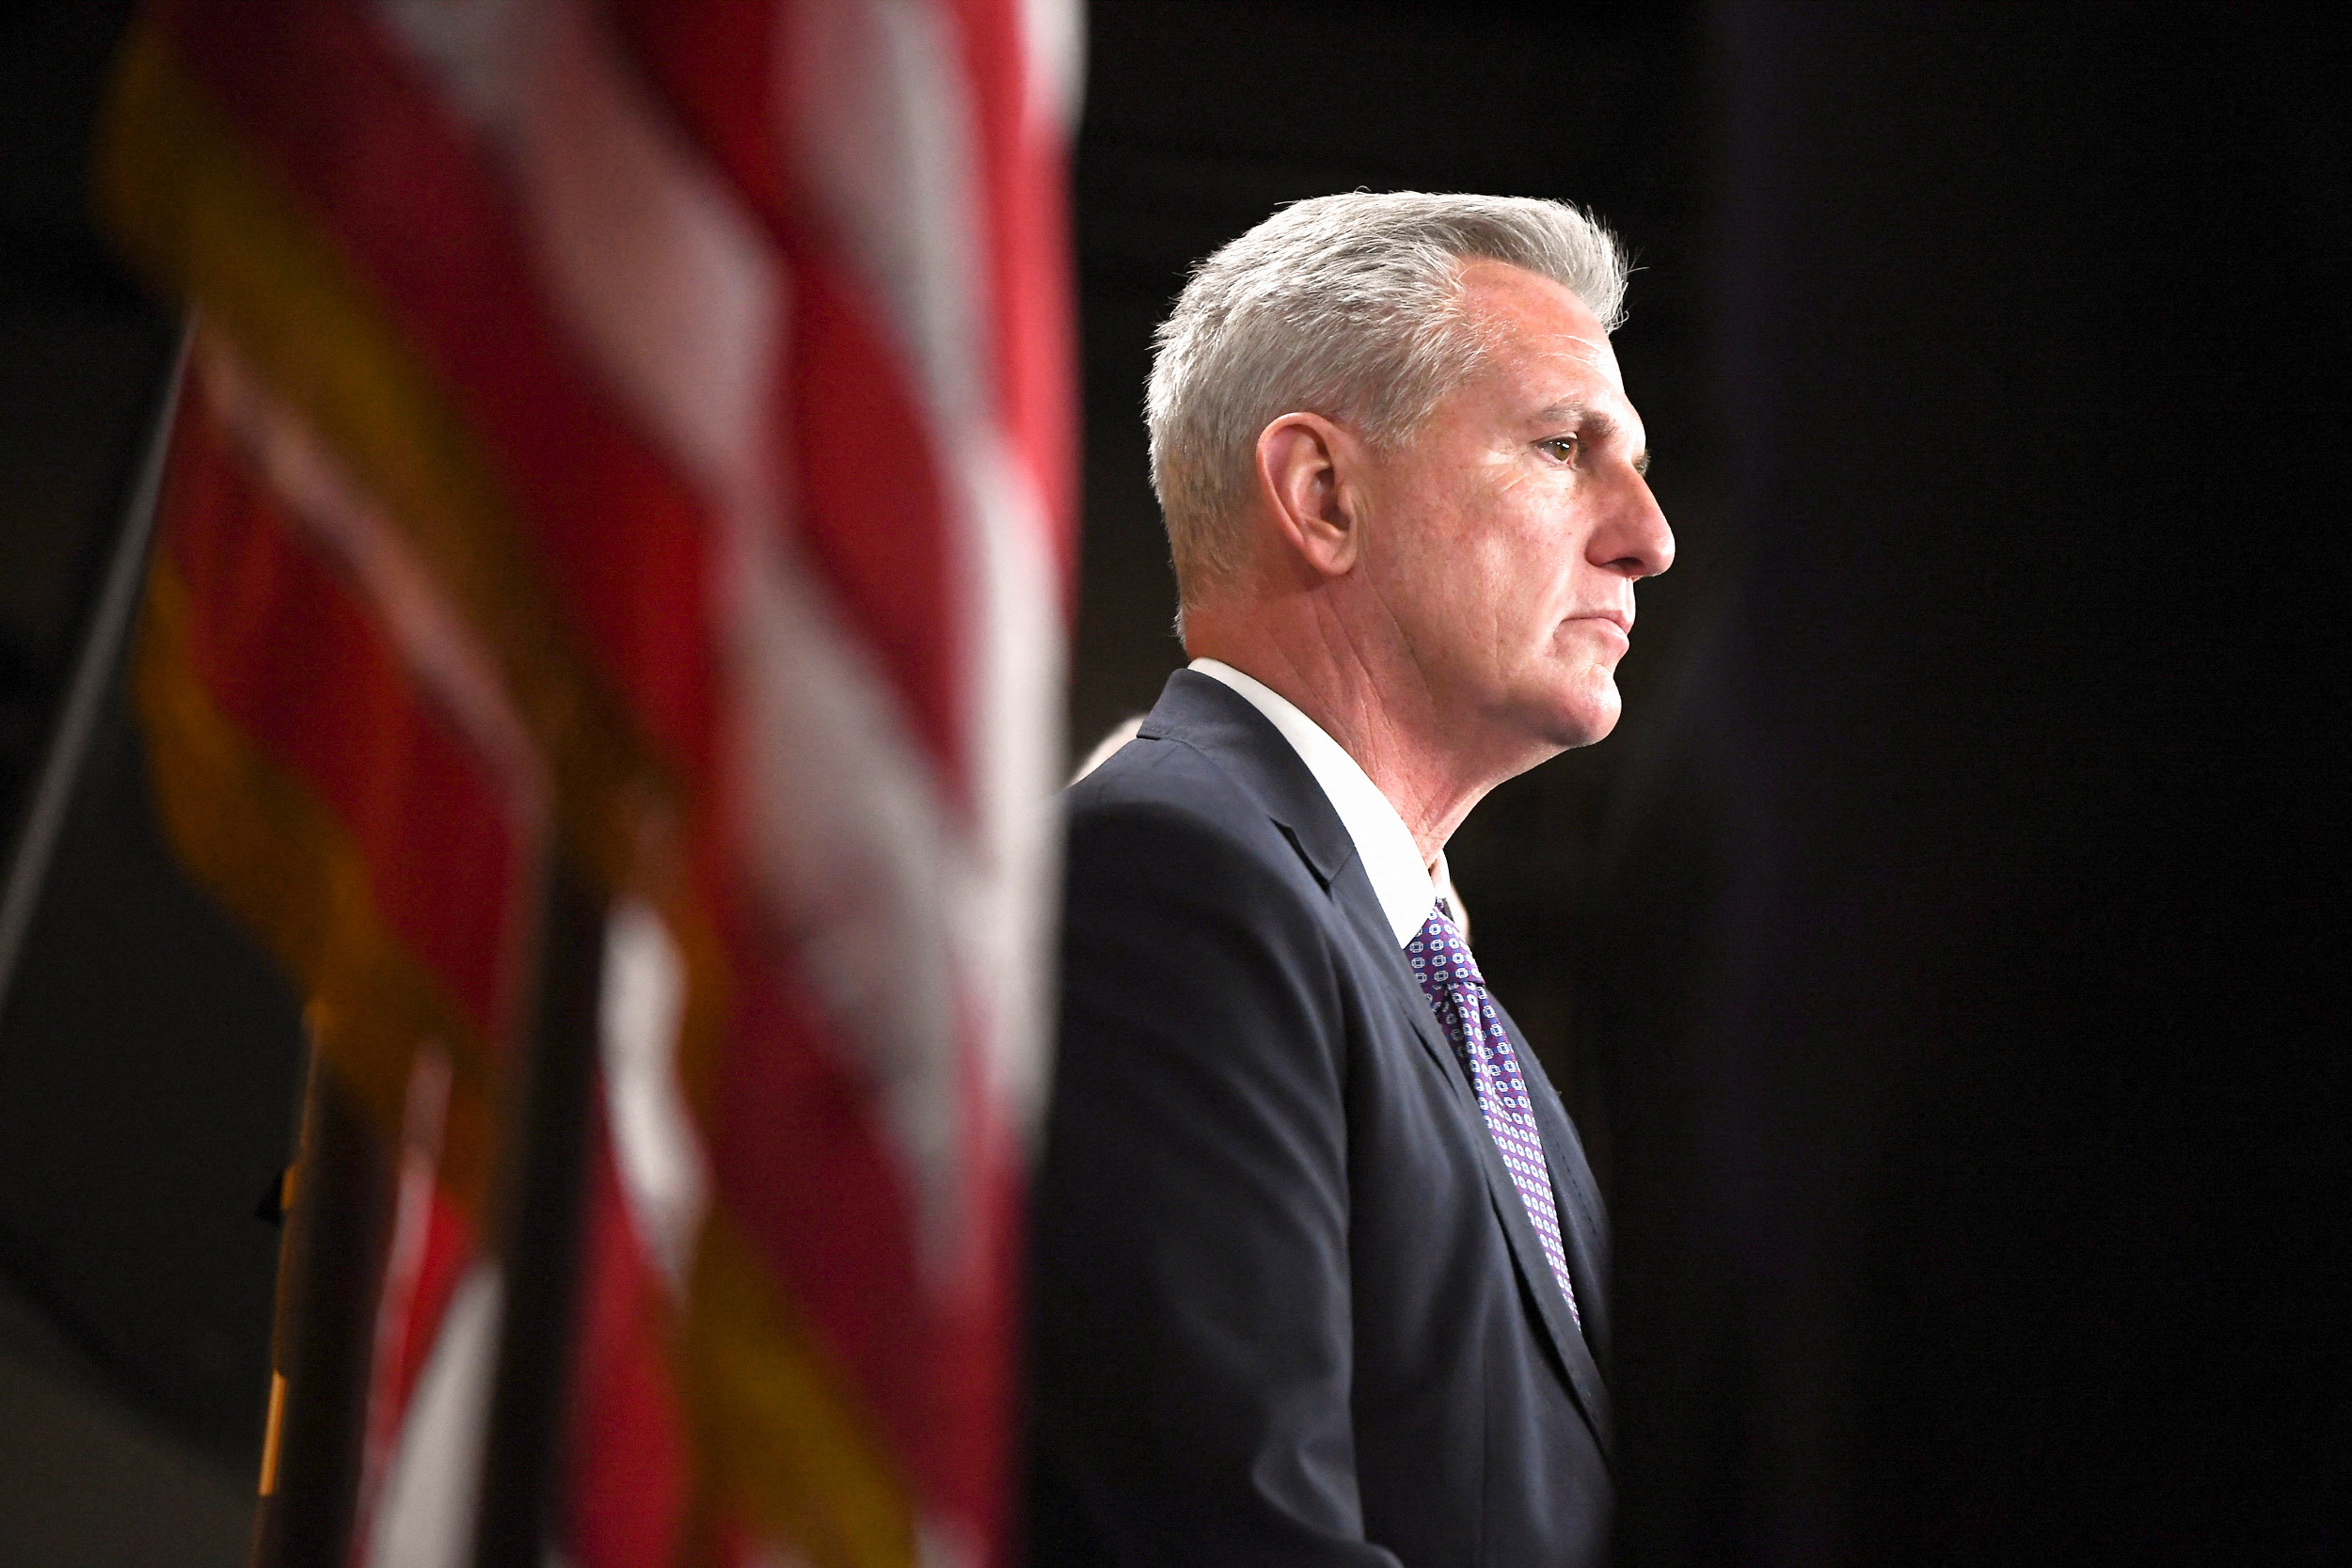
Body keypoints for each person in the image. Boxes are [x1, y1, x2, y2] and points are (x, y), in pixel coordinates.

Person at [1026, 192, 1674, 1566]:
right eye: (1566, 448)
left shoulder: (1433, 982)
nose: (1647, 537)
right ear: (1324, 496)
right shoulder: (1175, 882)